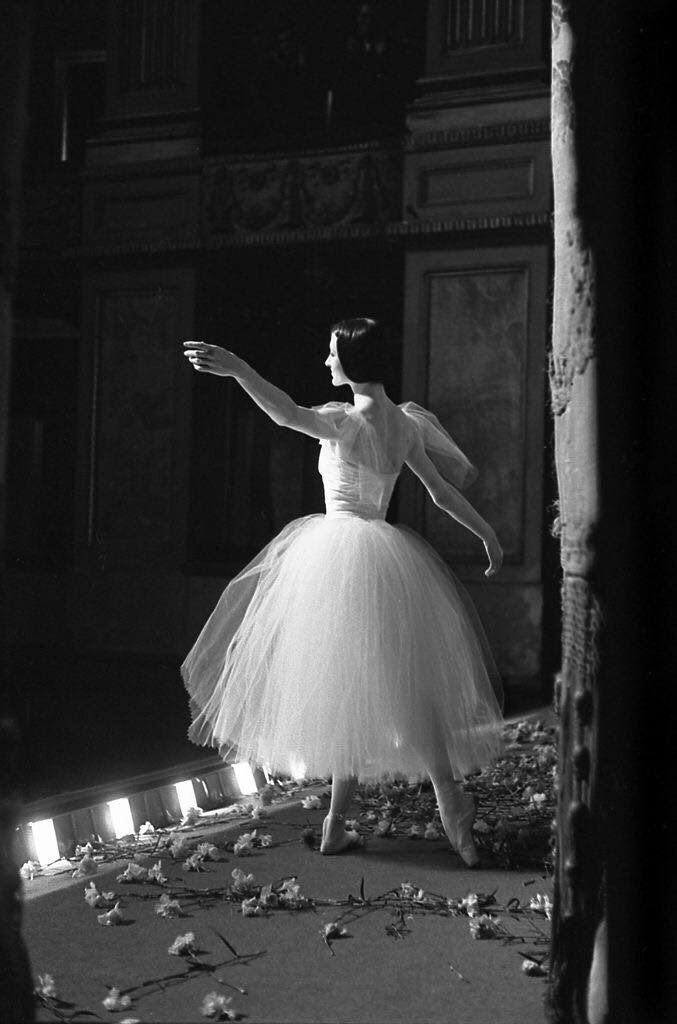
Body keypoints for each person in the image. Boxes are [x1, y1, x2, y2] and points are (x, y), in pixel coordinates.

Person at [181, 318, 504, 867]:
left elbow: (285, 413)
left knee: (369, 686)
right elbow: (442, 493)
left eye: (332, 353)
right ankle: (343, 823)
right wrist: (488, 534)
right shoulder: (404, 425)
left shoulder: (344, 420)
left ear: (354, 359)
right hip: (383, 557)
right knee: (373, 688)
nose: (327, 362)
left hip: (338, 556)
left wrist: (237, 368)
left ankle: (446, 806)